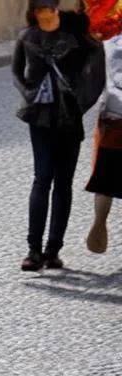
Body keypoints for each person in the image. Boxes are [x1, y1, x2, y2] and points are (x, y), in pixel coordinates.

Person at [13, 0, 105, 271]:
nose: (47, 13)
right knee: (42, 178)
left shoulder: (76, 37)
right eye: (41, 9)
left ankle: (53, 250)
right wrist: (28, 94)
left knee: (63, 183)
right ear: (34, 13)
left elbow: (98, 66)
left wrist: (83, 101)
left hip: (68, 119)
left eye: (50, 8)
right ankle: (33, 250)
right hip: (39, 118)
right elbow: (16, 72)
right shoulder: (27, 37)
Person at [86, 34, 122, 253]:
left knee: (105, 180)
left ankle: (100, 220)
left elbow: (93, 82)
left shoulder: (108, 46)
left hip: (112, 120)